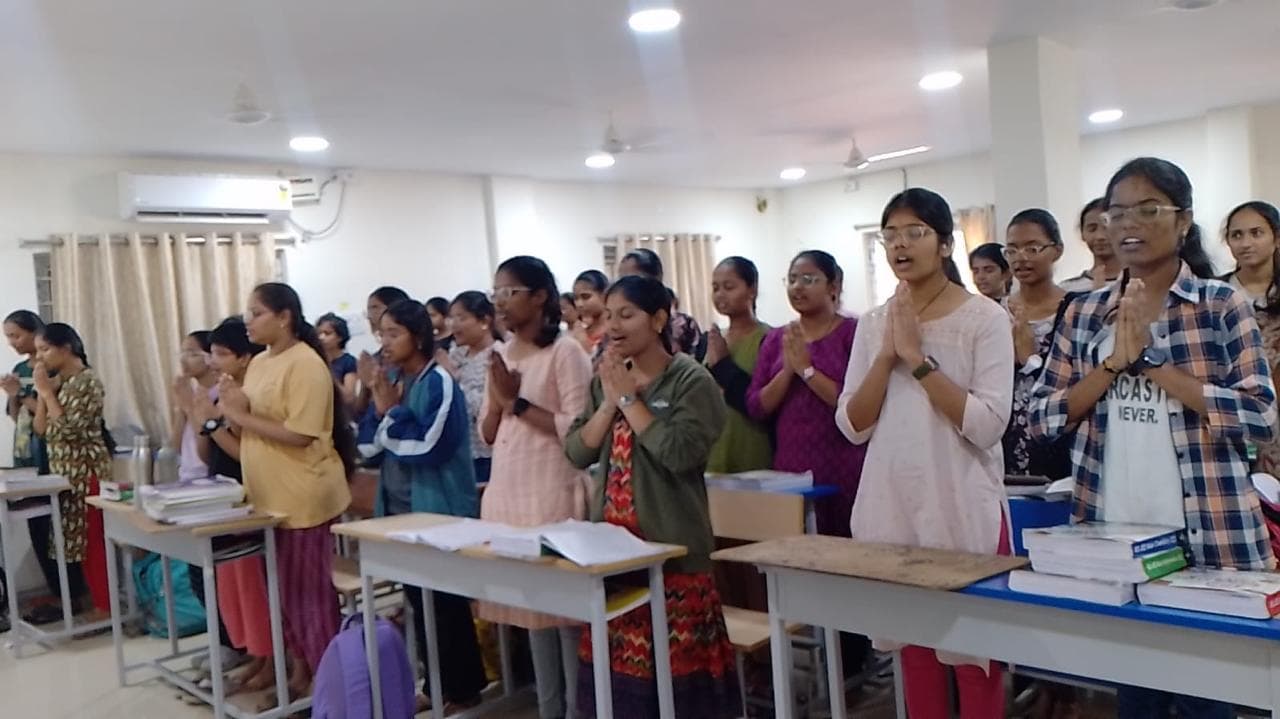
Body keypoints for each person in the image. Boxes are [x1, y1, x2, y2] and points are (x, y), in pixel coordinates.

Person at [1029, 158, 1276, 719]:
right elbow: (1043, 419)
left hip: (1211, 540)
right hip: (1115, 541)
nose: (1128, 223)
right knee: (1136, 697)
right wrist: (1112, 365)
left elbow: (1261, 418)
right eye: (1117, 212)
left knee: (1206, 701)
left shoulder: (1219, 305)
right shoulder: (1085, 311)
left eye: (1148, 210)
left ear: (1183, 221)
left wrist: (1152, 360)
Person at [838, 188, 1014, 719]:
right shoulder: (874, 324)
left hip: (962, 505)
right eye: (890, 234)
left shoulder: (984, 318)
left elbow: (986, 425)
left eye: (914, 232)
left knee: (975, 658)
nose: (900, 245)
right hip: (894, 503)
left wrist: (917, 361)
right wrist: (888, 353)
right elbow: (852, 424)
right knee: (914, 654)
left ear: (944, 243)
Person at [565, 275, 739, 718]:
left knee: (679, 695)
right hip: (614, 558)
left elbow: (679, 454)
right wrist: (609, 402)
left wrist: (629, 401)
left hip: (672, 558)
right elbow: (577, 450)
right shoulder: (606, 375)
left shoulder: (690, 380)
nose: (614, 326)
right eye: (608, 316)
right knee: (616, 693)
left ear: (659, 319)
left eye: (627, 314)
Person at [216, 282, 355, 698]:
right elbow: (251, 430)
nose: (248, 320)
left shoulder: (306, 364)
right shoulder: (259, 363)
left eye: (256, 312)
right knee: (285, 599)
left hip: (303, 497)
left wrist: (240, 413)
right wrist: (226, 410)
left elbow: (300, 434)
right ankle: (301, 677)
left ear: (284, 317)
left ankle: (332, 688)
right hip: (268, 498)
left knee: (309, 600)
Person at [357, 299, 487, 712]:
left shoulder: (439, 383)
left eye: (394, 333)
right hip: (399, 507)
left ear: (418, 336)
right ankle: (435, 683)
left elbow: (429, 445)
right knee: (418, 601)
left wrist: (390, 413)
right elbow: (368, 447)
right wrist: (379, 403)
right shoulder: (394, 378)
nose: (386, 342)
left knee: (446, 604)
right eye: (382, 334)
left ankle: (462, 688)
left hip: (437, 507)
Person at [746, 249, 870, 677]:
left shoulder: (854, 334)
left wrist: (809, 372)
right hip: (791, 472)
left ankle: (851, 665)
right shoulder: (777, 338)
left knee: (846, 568)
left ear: (834, 286)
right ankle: (809, 666)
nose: (798, 287)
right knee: (800, 568)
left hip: (844, 466)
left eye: (810, 278)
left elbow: (857, 405)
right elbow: (757, 406)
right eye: (792, 278)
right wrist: (791, 370)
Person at [478, 256, 592, 719]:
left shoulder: (566, 352)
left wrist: (515, 402)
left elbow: (578, 430)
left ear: (540, 296)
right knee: (533, 617)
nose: (501, 302)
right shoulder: (503, 353)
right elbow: (488, 432)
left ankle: (577, 709)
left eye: (510, 292)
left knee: (564, 617)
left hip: (550, 489)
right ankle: (548, 710)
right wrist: (499, 397)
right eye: (497, 293)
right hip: (509, 491)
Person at [190, 317, 277, 694]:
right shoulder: (223, 392)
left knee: (255, 585)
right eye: (211, 353)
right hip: (224, 495)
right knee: (233, 586)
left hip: (251, 494)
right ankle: (254, 655)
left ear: (245, 358)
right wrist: (200, 420)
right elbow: (204, 449)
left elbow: (247, 454)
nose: (212, 361)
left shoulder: (251, 394)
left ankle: (271, 660)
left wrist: (213, 424)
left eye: (221, 354)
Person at [29, 323, 113, 623]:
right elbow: (41, 429)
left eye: (45, 350)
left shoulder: (86, 381)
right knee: (75, 544)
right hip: (65, 476)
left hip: (87, 472)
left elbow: (70, 430)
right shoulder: (60, 383)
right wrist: (43, 394)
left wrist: (48, 395)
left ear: (66, 348)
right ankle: (93, 602)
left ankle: (106, 609)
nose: (40, 358)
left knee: (93, 543)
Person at [1001, 209, 1073, 481]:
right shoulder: (994, 312)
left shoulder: (1077, 309)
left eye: (1032, 248)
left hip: (1060, 441)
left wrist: (1030, 358)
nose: (1021, 258)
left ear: (1057, 250)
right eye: (1012, 250)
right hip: (1003, 443)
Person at [1221, 201, 1280, 477]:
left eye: (1257, 233)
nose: (1246, 243)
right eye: (1237, 235)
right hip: (1234, 414)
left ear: (1276, 238)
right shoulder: (1215, 294)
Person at [1, 311, 48, 631]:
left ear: (35, 333)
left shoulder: (48, 368)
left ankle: (71, 596)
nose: (12, 343)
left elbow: (48, 414)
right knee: (37, 531)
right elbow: (18, 418)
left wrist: (21, 393)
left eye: (16, 335)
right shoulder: (20, 369)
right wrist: (11, 395)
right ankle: (57, 595)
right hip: (23, 453)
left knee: (51, 530)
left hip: (47, 454)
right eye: (8, 337)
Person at [705, 256, 772, 474]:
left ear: (752, 289)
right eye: (715, 288)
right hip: (713, 447)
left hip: (751, 444)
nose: (720, 295)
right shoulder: (710, 340)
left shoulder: (769, 338)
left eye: (729, 287)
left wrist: (724, 365)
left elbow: (763, 401)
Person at [439, 291, 501, 484]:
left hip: (486, 454)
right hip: (459, 452)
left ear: (484, 321)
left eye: (461, 318)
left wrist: (455, 380)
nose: (454, 324)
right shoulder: (457, 355)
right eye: (451, 318)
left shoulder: (497, 356)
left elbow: (486, 406)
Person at [618, 248, 705, 360]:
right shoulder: (617, 326)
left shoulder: (685, 325)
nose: (624, 287)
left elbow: (696, 367)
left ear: (656, 279)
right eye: (621, 280)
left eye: (631, 280)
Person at [170, 330, 218, 482]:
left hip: (209, 478)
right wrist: (180, 405)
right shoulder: (192, 392)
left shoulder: (219, 394)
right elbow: (176, 447)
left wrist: (189, 406)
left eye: (192, 354)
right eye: (182, 354)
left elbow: (207, 453)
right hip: (186, 476)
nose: (183, 361)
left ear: (211, 357)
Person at [1061, 198, 1121, 292]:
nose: (1100, 236)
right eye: (1092, 229)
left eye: (1106, 228)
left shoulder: (1139, 283)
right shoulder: (1068, 289)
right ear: (1082, 233)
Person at [316, 313, 358, 408]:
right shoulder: (314, 359)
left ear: (340, 337)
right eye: (319, 333)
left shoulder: (348, 361)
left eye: (327, 333)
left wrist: (328, 371)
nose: (321, 338)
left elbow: (349, 398)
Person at [571, 270, 609, 362]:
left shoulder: (615, 331)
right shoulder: (578, 332)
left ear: (604, 295)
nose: (579, 304)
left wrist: (584, 346)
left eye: (586, 297)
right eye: (576, 298)